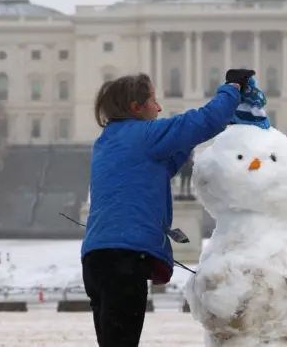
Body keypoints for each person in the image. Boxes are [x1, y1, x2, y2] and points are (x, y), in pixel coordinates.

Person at [81, 69, 255, 347]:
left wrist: (199, 134)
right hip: (124, 259)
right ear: (135, 107)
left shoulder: (108, 141)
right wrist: (232, 90)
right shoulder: (144, 135)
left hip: (97, 258)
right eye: (153, 101)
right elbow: (201, 121)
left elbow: (164, 164)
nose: (159, 107)